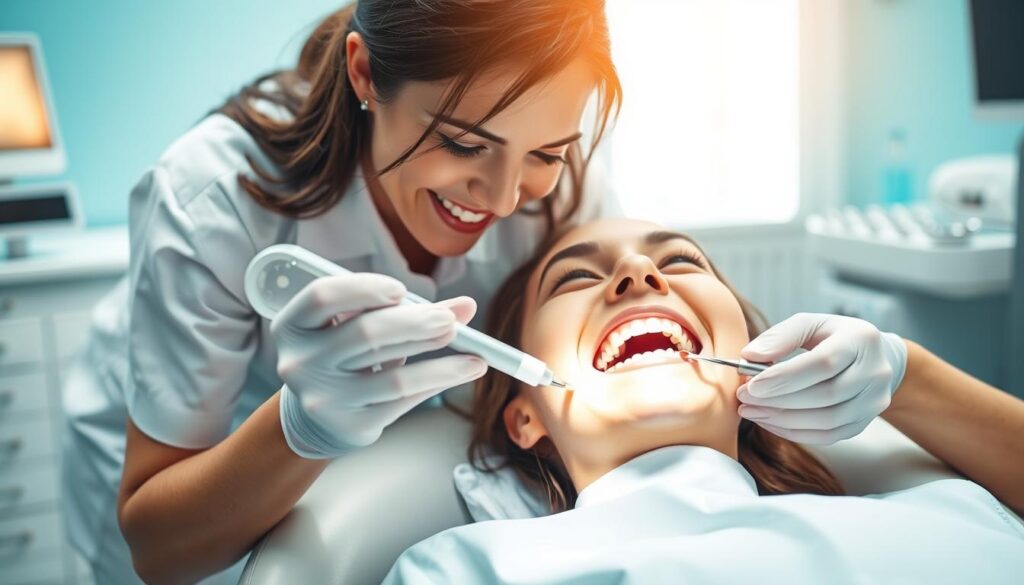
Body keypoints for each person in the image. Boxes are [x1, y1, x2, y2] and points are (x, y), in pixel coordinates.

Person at [61, 2, 621, 583]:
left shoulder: (568, 196)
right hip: (181, 471)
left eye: (546, 153)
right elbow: (159, 549)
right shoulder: (213, 197)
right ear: (364, 74)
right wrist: (299, 427)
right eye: (462, 143)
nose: (504, 199)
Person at [384, 218, 1024, 583]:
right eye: (577, 277)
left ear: (753, 360)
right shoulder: (465, 571)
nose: (638, 275)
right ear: (525, 418)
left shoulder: (953, 511)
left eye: (682, 261)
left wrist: (908, 371)